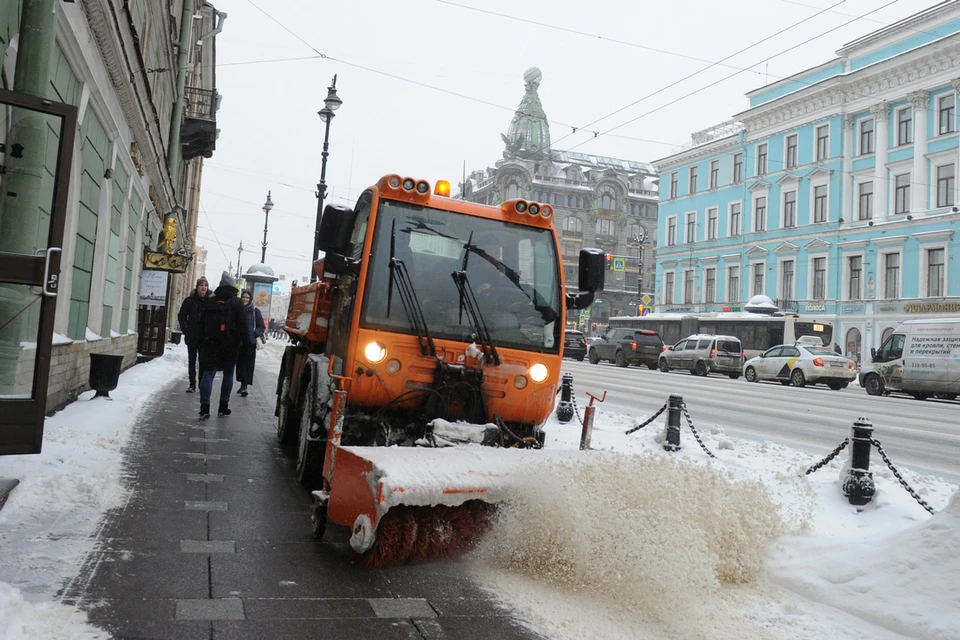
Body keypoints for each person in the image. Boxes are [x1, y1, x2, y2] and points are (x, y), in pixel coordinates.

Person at [196, 271, 250, 419]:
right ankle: (223, 407)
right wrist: (246, 343)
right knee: (228, 374)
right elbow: (243, 325)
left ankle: (204, 408)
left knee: (208, 373)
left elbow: (201, 324)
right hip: (230, 344)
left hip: (211, 343)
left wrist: (200, 342)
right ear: (233, 287)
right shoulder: (237, 303)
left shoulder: (210, 301)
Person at [177, 276, 212, 393]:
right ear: (197, 287)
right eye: (201, 285)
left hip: (205, 337)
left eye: (205, 285)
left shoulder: (210, 301)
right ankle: (192, 384)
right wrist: (186, 329)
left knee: (203, 361)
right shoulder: (189, 301)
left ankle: (202, 382)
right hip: (192, 335)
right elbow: (182, 316)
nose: (203, 288)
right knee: (192, 360)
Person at [236, 289, 265, 397]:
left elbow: (261, 326)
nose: (245, 299)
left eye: (247, 298)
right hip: (239, 342)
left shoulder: (254, 311)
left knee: (248, 365)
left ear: (250, 299)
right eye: (243, 297)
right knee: (240, 364)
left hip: (250, 342)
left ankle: (245, 386)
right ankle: (242, 384)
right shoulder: (238, 310)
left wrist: (254, 334)